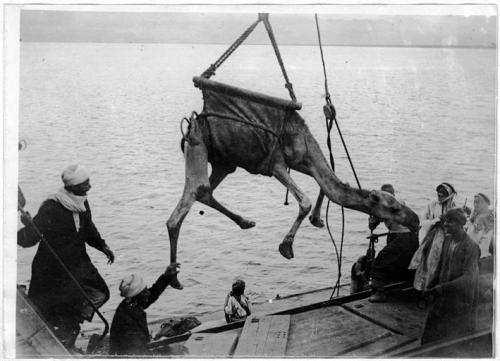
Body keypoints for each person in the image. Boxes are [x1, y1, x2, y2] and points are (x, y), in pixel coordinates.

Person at [17, 164, 114, 350]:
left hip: (78, 262)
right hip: (53, 268)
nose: (90, 187)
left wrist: (102, 246)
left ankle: (71, 323)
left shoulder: (82, 201)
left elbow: (88, 228)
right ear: (73, 186)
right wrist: (26, 226)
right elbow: (30, 238)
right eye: (85, 184)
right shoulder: (52, 206)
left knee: (101, 292)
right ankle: (64, 337)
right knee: (57, 309)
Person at [420, 208, 480, 344]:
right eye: (445, 221)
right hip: (442, 295)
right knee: (429, 336)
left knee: (452, 339)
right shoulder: (447, 240)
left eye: (450, 222)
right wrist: (430, 285)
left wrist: (441, 288)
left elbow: (468, 278)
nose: (445, 224)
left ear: (460, 224)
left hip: (459, 300)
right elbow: (441, 266)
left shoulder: (471, 247)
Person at [109, 262, 181, 355]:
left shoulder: (130, 303)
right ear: (135, 296)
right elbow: (139, 352)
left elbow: (153, 293)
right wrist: (165, 349)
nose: (148, 293)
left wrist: (166, 276)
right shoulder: (128, 322)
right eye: (145, 291)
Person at [367, 184, 419, 302]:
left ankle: (379, 293)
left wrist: (372, 218)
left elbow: (372, 225)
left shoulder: (382, 207)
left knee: (379, 263)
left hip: (401, 238)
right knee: (404, 262)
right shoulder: (401, 202)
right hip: (412, 237)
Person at [409, 182, 457, 291]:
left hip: (448, 237)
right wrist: (434, 221)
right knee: (429, 261)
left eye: (442, 195)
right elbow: (422, 221)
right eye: (438, 195)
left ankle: (440, 288)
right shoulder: (432, 204)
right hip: (434, 236)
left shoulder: (453, 207)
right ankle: (424, 288)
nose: (439, 197)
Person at [466, 193, 494, 274]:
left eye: (478, 202)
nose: (475, 205)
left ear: (484, 204)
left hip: (478, 254)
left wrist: (469, 223)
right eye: (474, 202)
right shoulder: (489, 214)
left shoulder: (480, 218)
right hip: (485, 250)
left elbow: (472, 240)